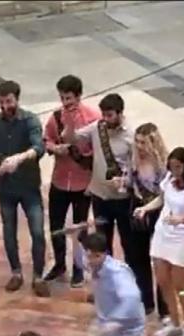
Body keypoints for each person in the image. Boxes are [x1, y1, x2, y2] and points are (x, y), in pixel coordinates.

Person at [134, 147, 184, 336]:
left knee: (180, 285)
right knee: (162, 280)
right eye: (172, 167)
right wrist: (145, 208)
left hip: (183, 237)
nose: (175, 171)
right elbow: (162, 198)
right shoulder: (169, 180)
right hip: (163, 233)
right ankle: (175, 322)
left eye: (178, 167)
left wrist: (183, 219)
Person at [0, 80, 49, 297]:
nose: (5, 106)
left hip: (28, 185)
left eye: (9, 101)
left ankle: (38, 276)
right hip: (5, 187)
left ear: (17, 99)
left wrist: (19, 158)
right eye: (2, 102)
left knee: (37, 231)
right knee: (8, 230)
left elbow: (38, 147)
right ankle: (16, 272)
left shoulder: (30, 120)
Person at [42, 75, 100, 288]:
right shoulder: (56, 117)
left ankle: (78, 267)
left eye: (69, 98)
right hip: (60, 179)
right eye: (62, 98)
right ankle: (59, 263)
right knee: (56, 225)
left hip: (82, 183)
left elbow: (97, 149)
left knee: (80, 228)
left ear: (78, 96)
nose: (66, 103)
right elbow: (46, 139)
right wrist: (53, 148)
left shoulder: (93, 117)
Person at [64, 93, 133, 261]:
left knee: (129, 242)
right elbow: (71, 138)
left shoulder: (130, 135)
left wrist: (125, 181)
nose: (106, 119)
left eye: (109, 115)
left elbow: (135, 169)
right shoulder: (97, 127)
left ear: (119, 113)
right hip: (101, 197)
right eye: (103, 115)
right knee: (102, 243)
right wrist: (71, 122)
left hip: (122, 198)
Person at [127, 123, 170, 319]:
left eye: (143, 142)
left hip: (157, 211)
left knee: (160, 258)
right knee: (137, 257)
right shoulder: (134, 159)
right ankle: (145, 301)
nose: (139, 146)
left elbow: (164, 194)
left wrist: (147, 207)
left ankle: (165, 307)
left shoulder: (164, 165)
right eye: (137, 141)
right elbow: (130, 181)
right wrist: (123, 182)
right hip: (138, 209)